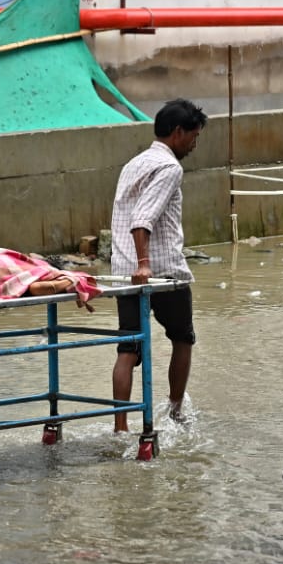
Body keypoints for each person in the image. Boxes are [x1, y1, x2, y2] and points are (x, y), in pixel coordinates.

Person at [110, 99, 207, 430]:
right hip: (162, 272)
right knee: (183, 338)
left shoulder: (134, 163)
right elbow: (142, 218)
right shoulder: (170, 168)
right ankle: (176, 413)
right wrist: (145, 263)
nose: (194, 145)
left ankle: (120, 427)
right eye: (193, 137)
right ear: (178, 133)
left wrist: (134, 266)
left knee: (128, 349)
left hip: (123, 272)